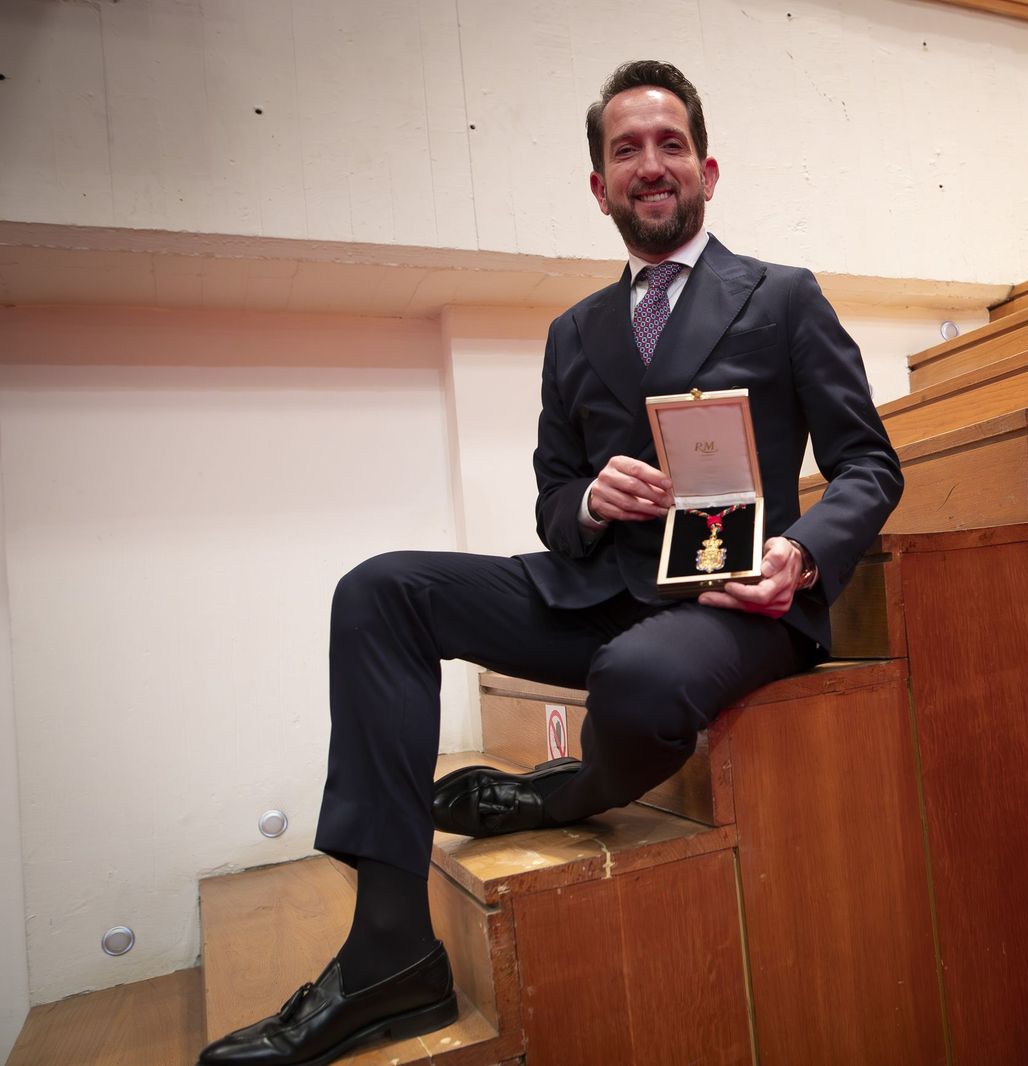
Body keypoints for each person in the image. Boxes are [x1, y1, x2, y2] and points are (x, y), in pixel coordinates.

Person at [197, 59, 902, 1066]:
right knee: (380, 590)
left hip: (735, 603)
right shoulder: (574, 332)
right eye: (626, 150)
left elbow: (870, 464)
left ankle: (555, 795)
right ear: (598, 185)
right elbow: (551, 499)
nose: (649, 165)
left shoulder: (783, 298)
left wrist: (801, 553)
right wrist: (584, 499)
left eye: (668, 146)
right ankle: (389, 950)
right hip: (597, 589)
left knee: (641, 674)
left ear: (706, 168)